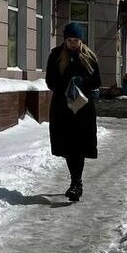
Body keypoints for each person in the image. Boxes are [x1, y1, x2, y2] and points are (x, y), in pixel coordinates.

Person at [46, 22, 101, 201]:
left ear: (81, 40)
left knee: (79, 147)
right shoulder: (55, 55)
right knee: (68, 147)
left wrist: (81, 82)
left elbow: (97, 81)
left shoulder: (89, 56)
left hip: (83, 109)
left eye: (76, 40)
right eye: (69, 40)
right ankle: (75, 181)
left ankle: (76, 184)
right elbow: (50, 81)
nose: (72, 44)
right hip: (63, 109)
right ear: (65, 39)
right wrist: (66, 84)